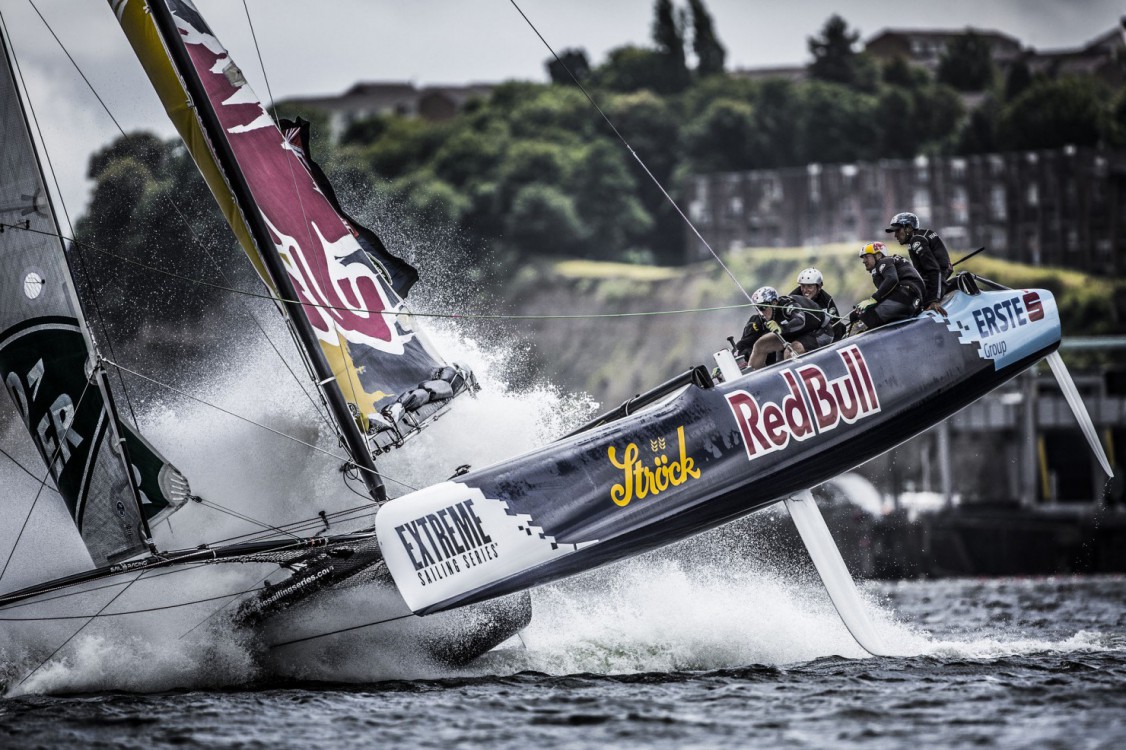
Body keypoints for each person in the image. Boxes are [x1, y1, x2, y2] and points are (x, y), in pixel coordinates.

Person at [745, 285, 832, 370]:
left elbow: (800, 320)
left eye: (762, 307)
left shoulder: (788, 305)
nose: (761, 312)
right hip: (795, 333)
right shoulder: (764, 315)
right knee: (760, 345)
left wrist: (781, 328)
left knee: (789, 353)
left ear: (774, 303)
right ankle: (748, 380)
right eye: (757, 309)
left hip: (820, 331)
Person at [885, 211, 952, 314]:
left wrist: (934, 300)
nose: (895, 235)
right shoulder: (923, 235)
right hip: (935, 283)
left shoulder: (917, 241)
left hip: (933, 288)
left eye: (898, 231)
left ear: (909, 228)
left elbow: (934, 270)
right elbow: (944, 267)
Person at [851, 241, 925, 331]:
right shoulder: (889, 263)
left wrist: (874, 299)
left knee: (866, 317)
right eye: (863, 258)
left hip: (905, 296)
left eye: (867, 257)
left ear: (878, 255)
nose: (864, 261)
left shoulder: (884, 261)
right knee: (856, 315)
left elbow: (892, 279)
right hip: (912, 299)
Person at [789, 267, 846, 342]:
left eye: (809, 286)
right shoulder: (793, 298)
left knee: (842, 327)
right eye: (803, 286)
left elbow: (836, 323)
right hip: (799, 334)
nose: (805, 290)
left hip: (820, 332)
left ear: (819, 287)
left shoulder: (826, 299)